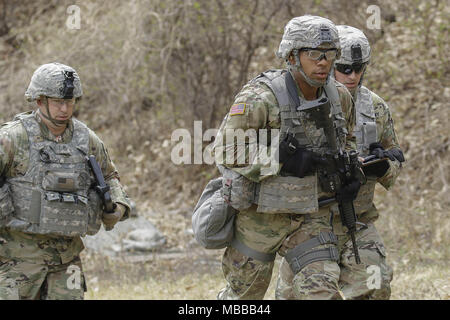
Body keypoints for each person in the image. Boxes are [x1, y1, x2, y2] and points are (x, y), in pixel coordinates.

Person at [212, 15, 361, 300]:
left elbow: (348, 140)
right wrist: (277, 157)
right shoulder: (260, 97)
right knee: (243, 300)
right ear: (292, 55)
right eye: (315, 54)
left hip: (311, 217)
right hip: (260, 217)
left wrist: (352, 172)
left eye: (330, 54)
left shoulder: (339, 97)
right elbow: (225, 150)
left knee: (322, 292)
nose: (324, 62)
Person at [275, 25, 405, 300]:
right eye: (345, 68)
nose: (352, 76)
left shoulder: (375, 108)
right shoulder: (300, 103)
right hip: (310, 220)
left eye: (359, 69)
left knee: (376, 284)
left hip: (357, 218)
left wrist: (382, 166)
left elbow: (394, 158)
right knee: (312, 292)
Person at [0, 62, 131, 300]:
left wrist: (119, 206)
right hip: (17, 260)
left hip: (66, 259)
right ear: (39, 101)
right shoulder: (12, 139)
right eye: (58, 102)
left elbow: (110, 176)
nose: (64, 108)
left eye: (69, 102)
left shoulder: (86, 139)